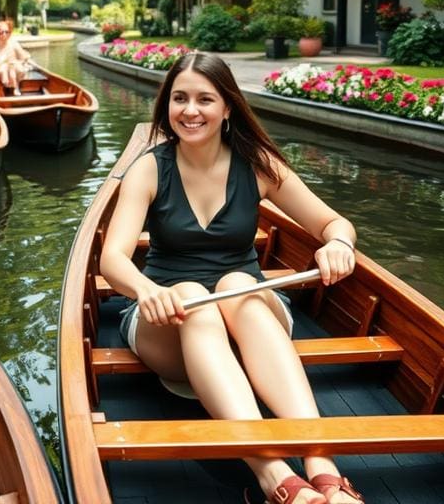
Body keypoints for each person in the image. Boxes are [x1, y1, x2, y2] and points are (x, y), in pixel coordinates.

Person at [99, 52, 364, 504]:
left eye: (205, 99)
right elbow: (113, 260)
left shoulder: (258, 163)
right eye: (179, 98)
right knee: (194, 298)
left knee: (236, 285)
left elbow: (334, 223)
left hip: (248, 318)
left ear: (228, 107)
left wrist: (338, 244)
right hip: (169, 320)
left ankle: (321, 464)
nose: (190, 110)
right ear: (166, 105)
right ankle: (272, 474)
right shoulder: (149, 167)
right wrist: (149, 290)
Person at [0, 19, 31, 95]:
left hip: (13, 73)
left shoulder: (14, 44)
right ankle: (4, 89)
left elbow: (24, 57)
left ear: (10, 33)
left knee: (16, 68)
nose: (4, 34)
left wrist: (16, 62)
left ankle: (15, 87)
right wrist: (1, 63)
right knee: (2, 69)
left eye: (6, 32)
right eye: (1, 32)